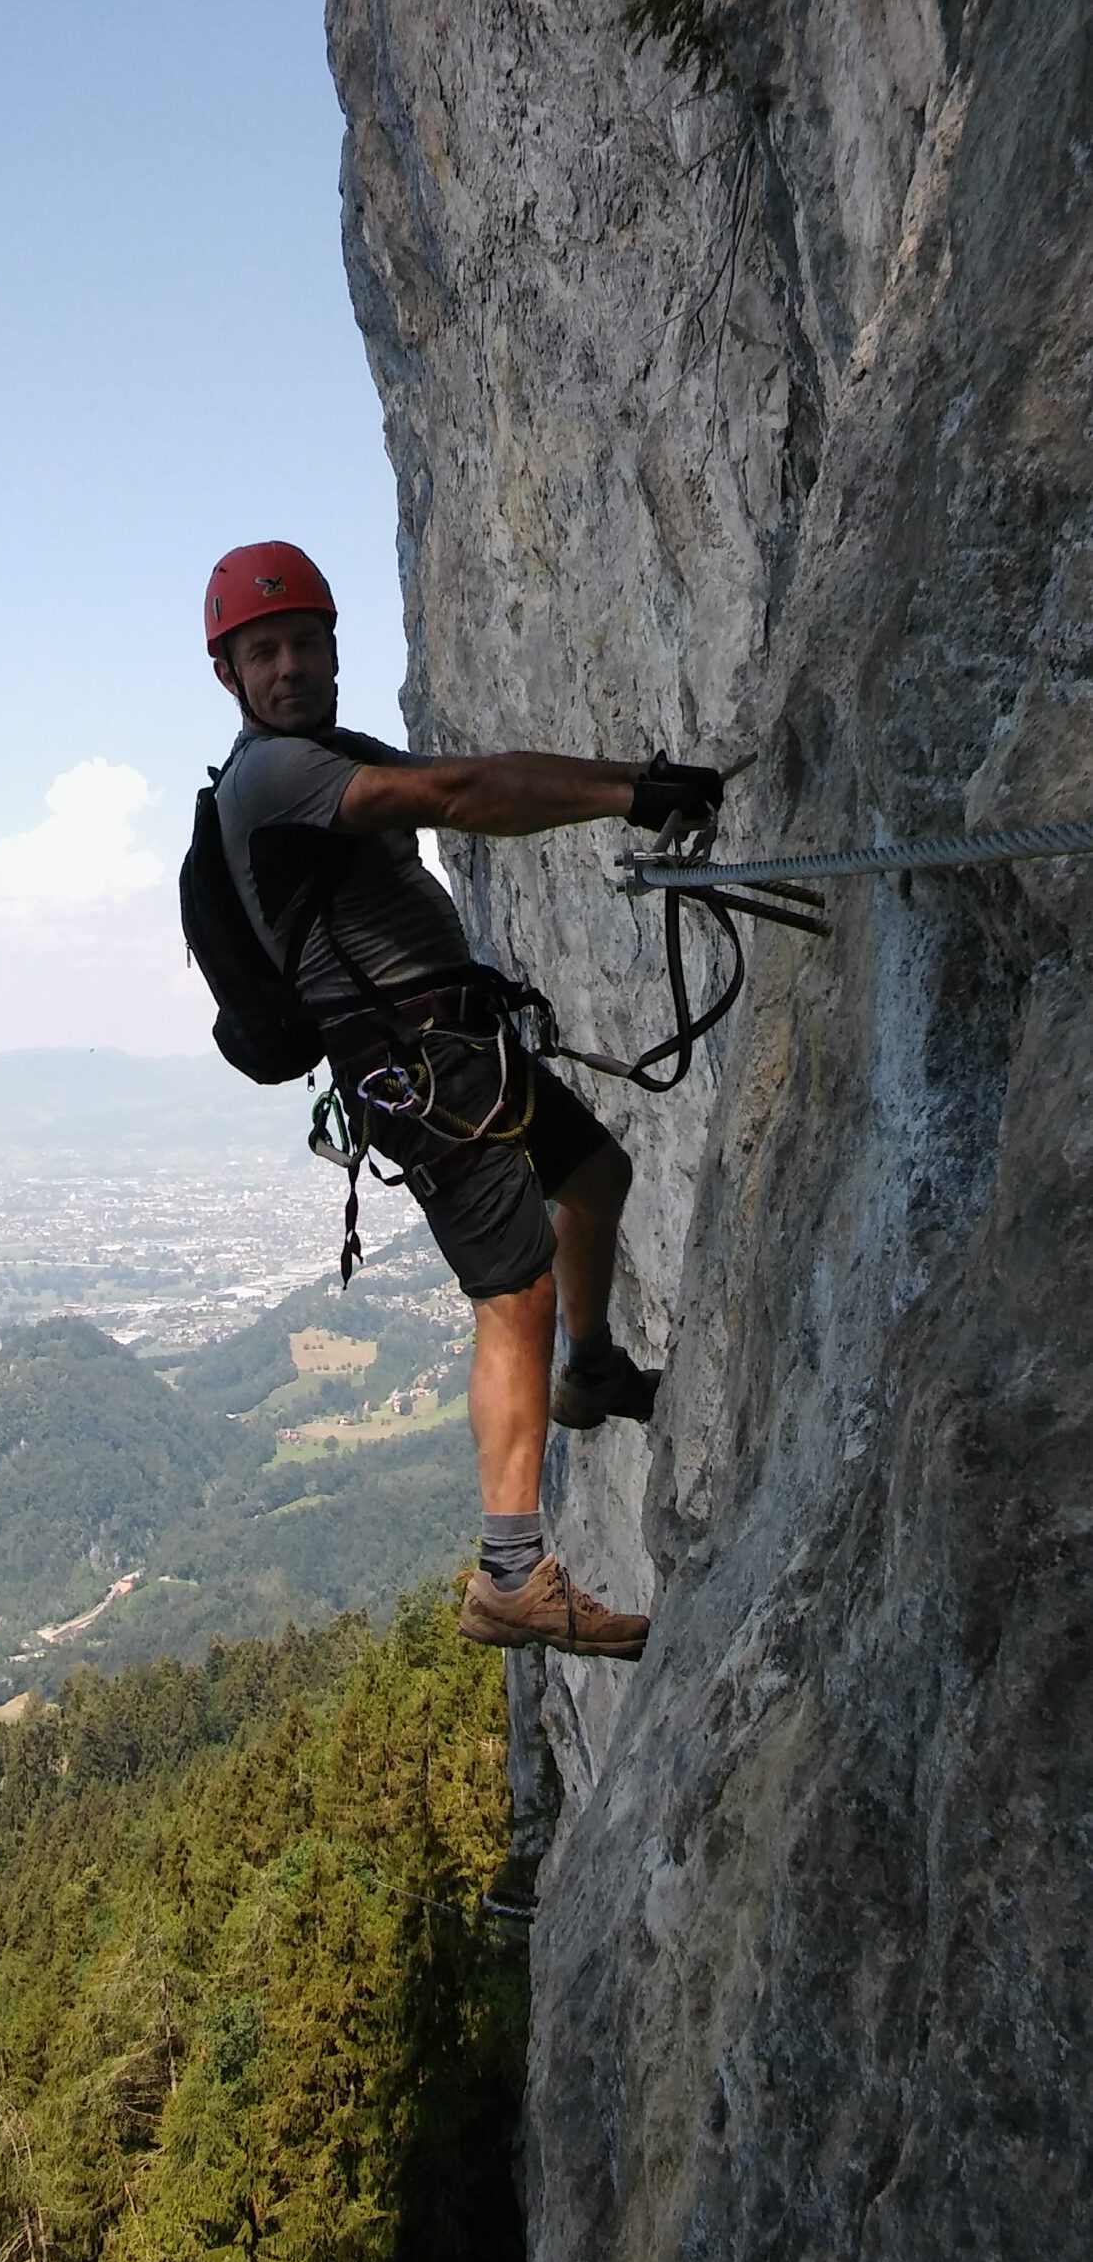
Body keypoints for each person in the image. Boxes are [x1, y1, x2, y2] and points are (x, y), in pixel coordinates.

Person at [204, 541, 722, 1659]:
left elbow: (457, 786)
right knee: (513, 1288)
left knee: (597, 1174)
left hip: (458, 1048)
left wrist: (626, 788)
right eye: (264, 651)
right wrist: (630, 791)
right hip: (419, 1070)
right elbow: (458, 792)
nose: (288, 664)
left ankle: (588, 1373)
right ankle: (509, 1575)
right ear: (231, 676)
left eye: (303, 641)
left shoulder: (327, 751)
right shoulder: (270, 778)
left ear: (333, 651)